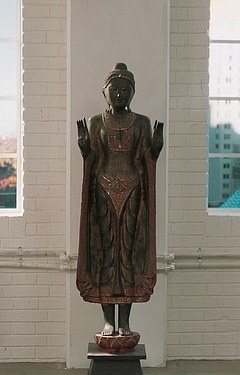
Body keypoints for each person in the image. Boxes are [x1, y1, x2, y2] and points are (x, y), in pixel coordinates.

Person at [76, 63, 164, 337]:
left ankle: (124, 321)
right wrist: (85, 150)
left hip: (132, 190)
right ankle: (108, 321)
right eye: (114, 89)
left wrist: (155, 151)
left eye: (125, 90)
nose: (119, 94)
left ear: (132, 92)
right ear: (104, 92)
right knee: (103, 251)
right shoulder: (95, 122)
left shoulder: (142, 123)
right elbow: (93, 160)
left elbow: (145, 159)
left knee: (128, 252)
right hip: (102, 190)